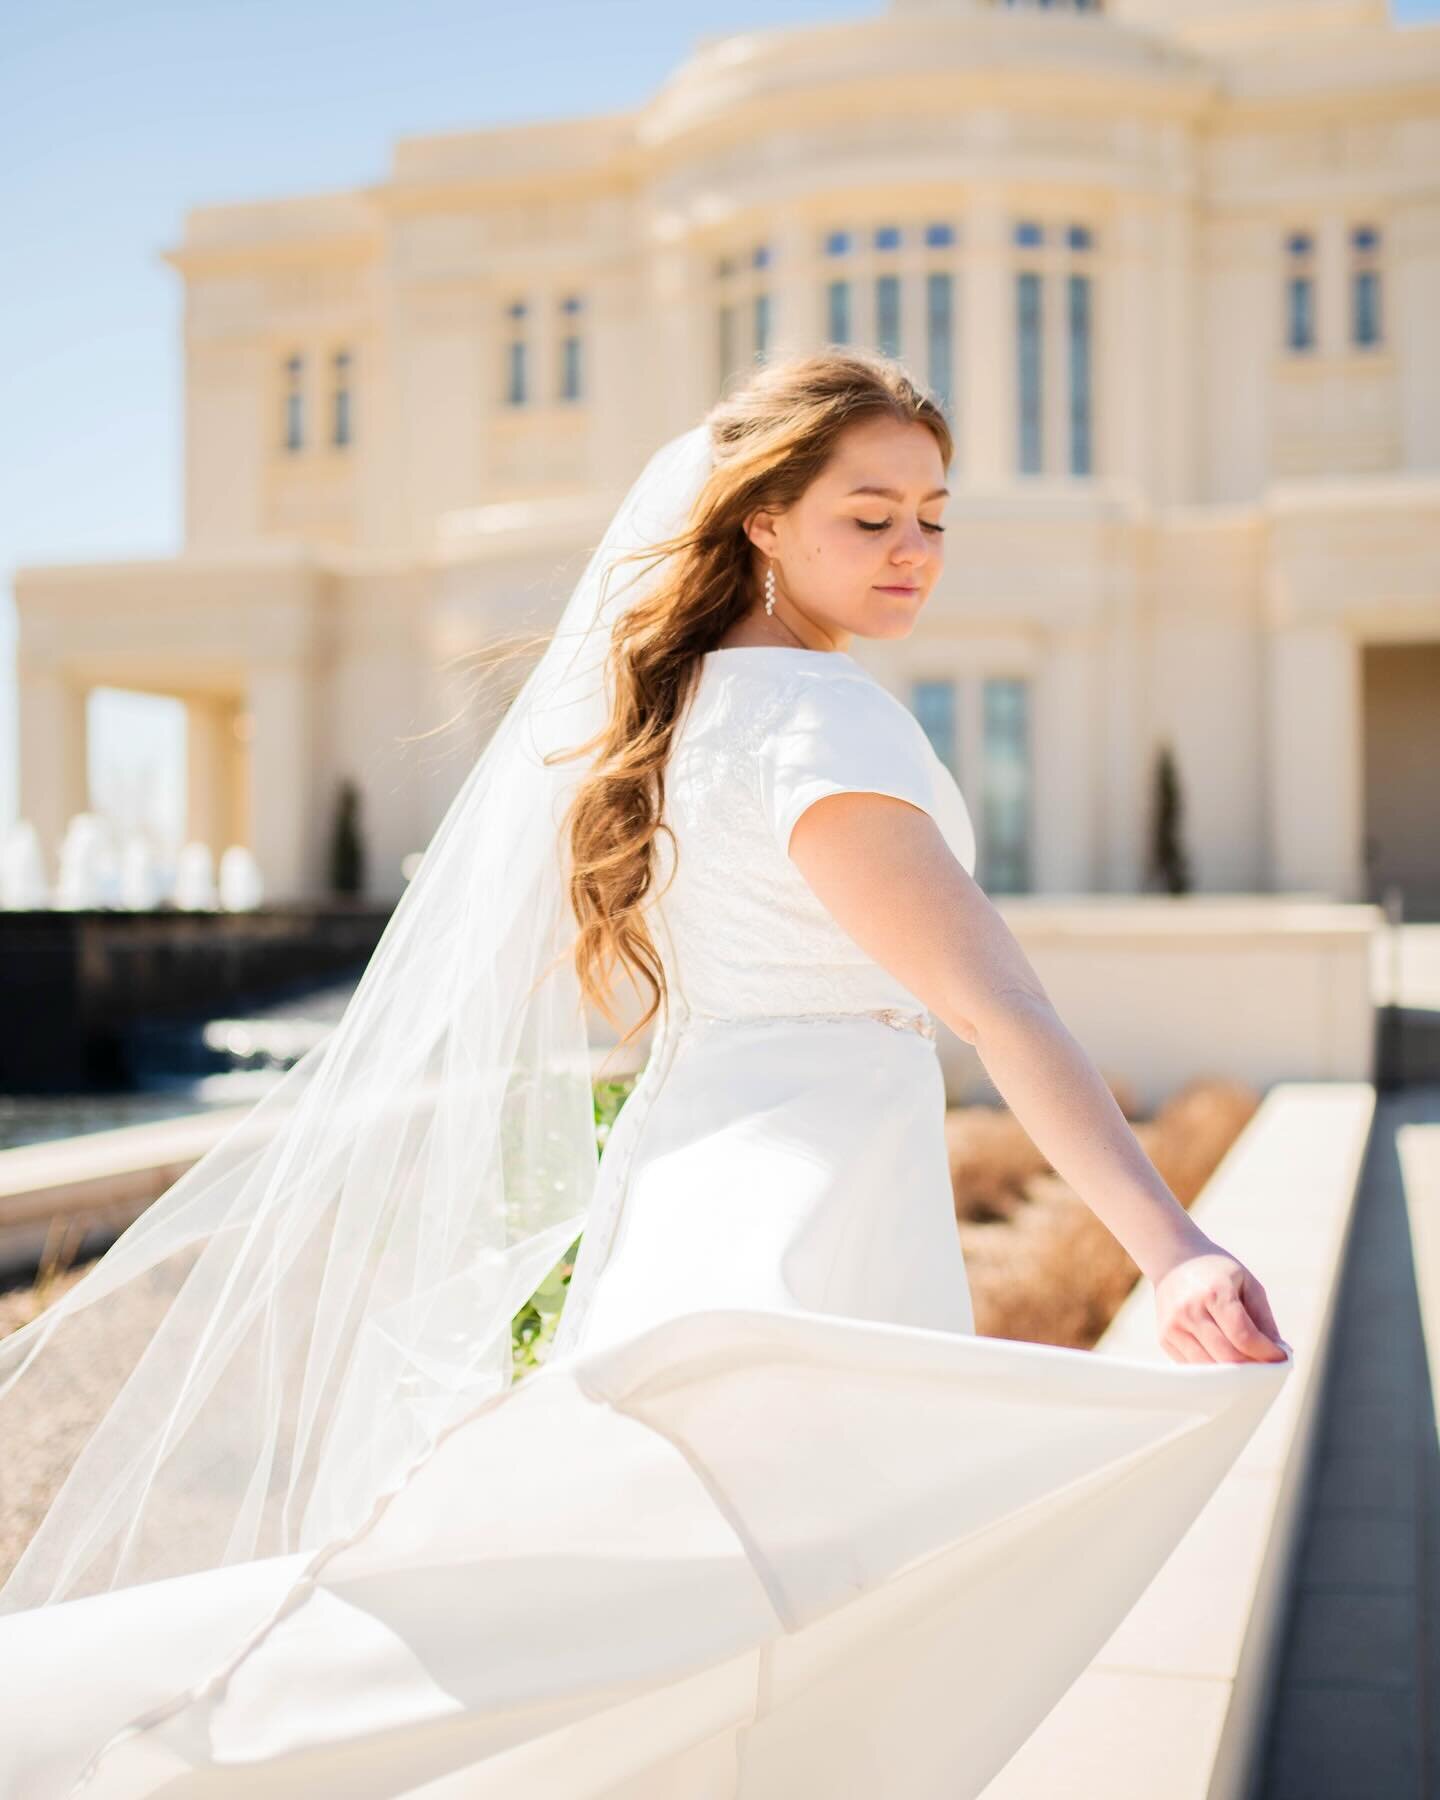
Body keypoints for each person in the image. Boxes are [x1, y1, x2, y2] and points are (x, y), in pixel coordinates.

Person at [0, 348, 1291, 1798]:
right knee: (737, 1622)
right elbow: (1003, 1011)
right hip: (806, 1209)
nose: (913, 549)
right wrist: (1170, 1251)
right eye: (869, 516)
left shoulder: (690, 712)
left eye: (934, 513)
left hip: (702, 1174)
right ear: (764, 520)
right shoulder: (825, 717)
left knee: (636, 1613)